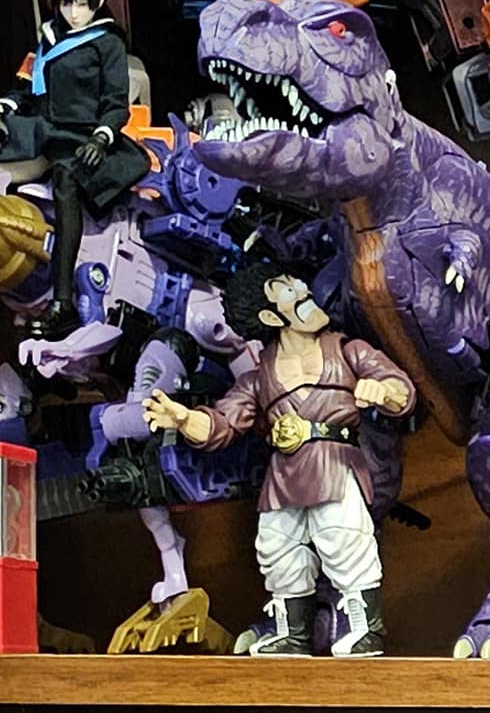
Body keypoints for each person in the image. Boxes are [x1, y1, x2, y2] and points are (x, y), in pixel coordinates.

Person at [152, 272, 417, 656]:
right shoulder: (260, 378)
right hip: (284, 476)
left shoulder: (348, 351)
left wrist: (383, 392)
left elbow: (401, 390)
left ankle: (364, 630)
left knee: (344, 539)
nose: (305, 293)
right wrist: (183, 418)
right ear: (271, 317)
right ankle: (292, 634)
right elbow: (223, 424)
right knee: (278, 548)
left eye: (299, 286)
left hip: (333, 464)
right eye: (291, 292)